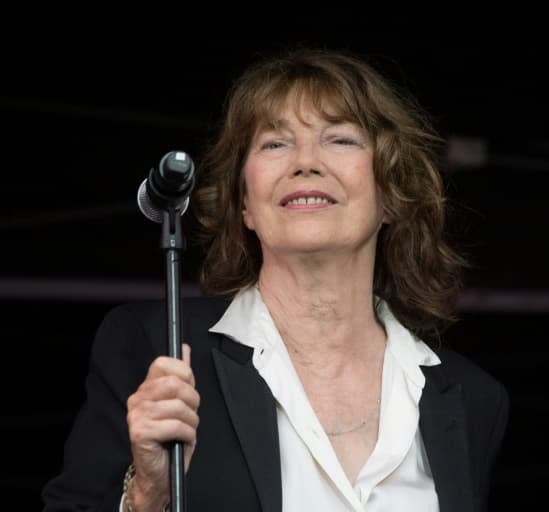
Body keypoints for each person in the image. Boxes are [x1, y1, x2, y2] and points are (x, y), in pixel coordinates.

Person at [41, 47, 509, 512]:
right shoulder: (155, 346)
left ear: (392, 194)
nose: (305, 161)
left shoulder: (471, 398)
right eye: (275, 143)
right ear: (244, 202)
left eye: (340, 139)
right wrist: (146, 496)